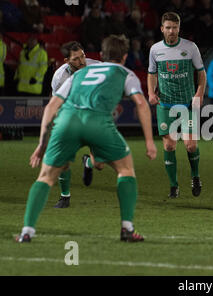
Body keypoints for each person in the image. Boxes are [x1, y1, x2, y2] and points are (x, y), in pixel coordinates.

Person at [16, 34, 157, 243]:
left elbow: (51, 106)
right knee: (125, 169)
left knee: (45, 176)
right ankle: (127, 228)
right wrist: (149, 141)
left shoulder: (79, 74)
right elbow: (142, 103)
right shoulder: (126, 73)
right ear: (125, 56)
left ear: (100, 55)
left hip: (66, 122)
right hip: (98, 123)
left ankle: (27, 231)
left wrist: (41, 143)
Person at [147, 12, 206, 198]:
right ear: (162, 29)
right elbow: (152, 74)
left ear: (179, 28)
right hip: (165, 104)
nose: (172, 31)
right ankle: (174, 186)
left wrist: (199, 93)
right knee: (170, 146)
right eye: (168, 27)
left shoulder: (190, 47)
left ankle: (195, 176)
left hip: (187, 104)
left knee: (190, 145)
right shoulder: (155, 50)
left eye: (175, 27)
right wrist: (150, 92)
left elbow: (201, 73)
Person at [50, 41, 101, 208]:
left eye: (83, 56)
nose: (82, 61)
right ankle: (65, 197)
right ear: (66, 61)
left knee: (99, 162)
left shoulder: (96, 67)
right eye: (76, 59)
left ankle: (88, 162)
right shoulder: (59, 77)